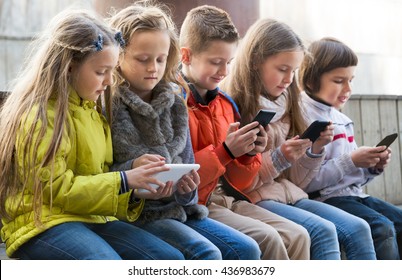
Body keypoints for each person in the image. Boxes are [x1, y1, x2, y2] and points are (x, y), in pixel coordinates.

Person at [0, 9, 186, 260]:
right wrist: (124, 180)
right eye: (101, 72)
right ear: (69, 67)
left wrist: (137, 189)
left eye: (112, 70)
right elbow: (55, 189)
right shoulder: (41, 115)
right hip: (43, 222)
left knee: (168, 260)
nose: (110, 80)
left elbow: (97, 179)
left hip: (91, 216)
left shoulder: (94, 111)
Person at [107, 1, 261, 260]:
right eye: (143, 59)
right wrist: (134, 175)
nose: (153, 68)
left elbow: (189, 172)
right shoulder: (109, 104)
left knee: (247, 249)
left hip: (179, 209)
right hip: (136, 214)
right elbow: (101, 174)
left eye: (160, 59)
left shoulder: (175, 101)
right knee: (206, 253)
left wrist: (186, 187)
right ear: (118, 56)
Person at [221, 18, 377, 260]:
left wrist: (314, 150)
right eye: (283, 69)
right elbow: (239, 182)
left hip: (290, 193)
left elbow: (299, 182)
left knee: (358, 227)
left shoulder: (287, 102)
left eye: (293, 71)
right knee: (321, 231)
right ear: (254, 61)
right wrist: (279, 157)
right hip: (252, 199)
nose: (289, 79)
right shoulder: (232, 106)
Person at [179, 5, 311, 260]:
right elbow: (181, 177)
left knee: (298, 235)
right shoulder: (176, 103)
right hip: (195, 204)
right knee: (268, 239)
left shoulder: (226, 105)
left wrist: (249, 154)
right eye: (216, 63)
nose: (224, 71)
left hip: (226, 199)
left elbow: (238, 182)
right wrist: (226, 151)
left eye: (228, 62)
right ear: (186, 56)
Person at [299, 37, 402, 260]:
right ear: (311, 80)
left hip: (354, 196)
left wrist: (372, 166)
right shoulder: (301, 116)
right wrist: (352, 160)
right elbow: (305, 183)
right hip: (324, 200)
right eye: (338, 80)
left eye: (350, 80)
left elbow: (354, 179)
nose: (348, 89)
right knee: (382, 229)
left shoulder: (342, 120)